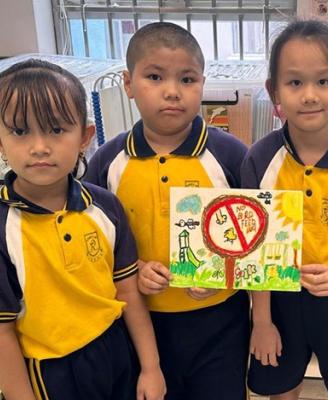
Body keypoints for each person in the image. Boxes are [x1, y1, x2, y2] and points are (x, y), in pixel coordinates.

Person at [85, 22, 249, 400]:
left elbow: (257, 240)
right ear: (128, 84)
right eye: (155, 77)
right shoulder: (107, 162)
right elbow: (92, 244)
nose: (172, 91)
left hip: (221, 320)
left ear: (202, 84)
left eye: (187, 79)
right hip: (139, 322)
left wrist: (225, 275)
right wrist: (135, 269)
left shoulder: (231, 155)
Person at [0, 59, 165, 400]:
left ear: (84, 137)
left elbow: (128, 294)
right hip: (51, 372)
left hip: (116, 351)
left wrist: (151, 367)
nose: (40, 147)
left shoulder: (106, 207)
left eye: (56, 129)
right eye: (20, 131)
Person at [241, 20, 328, 400]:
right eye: (294, 82)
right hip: (276, 297)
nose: (309, 95)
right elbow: (253, 248)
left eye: (323, 81)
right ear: (274, 91)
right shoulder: (260, 159)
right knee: (281, 386)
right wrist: (262, 321)